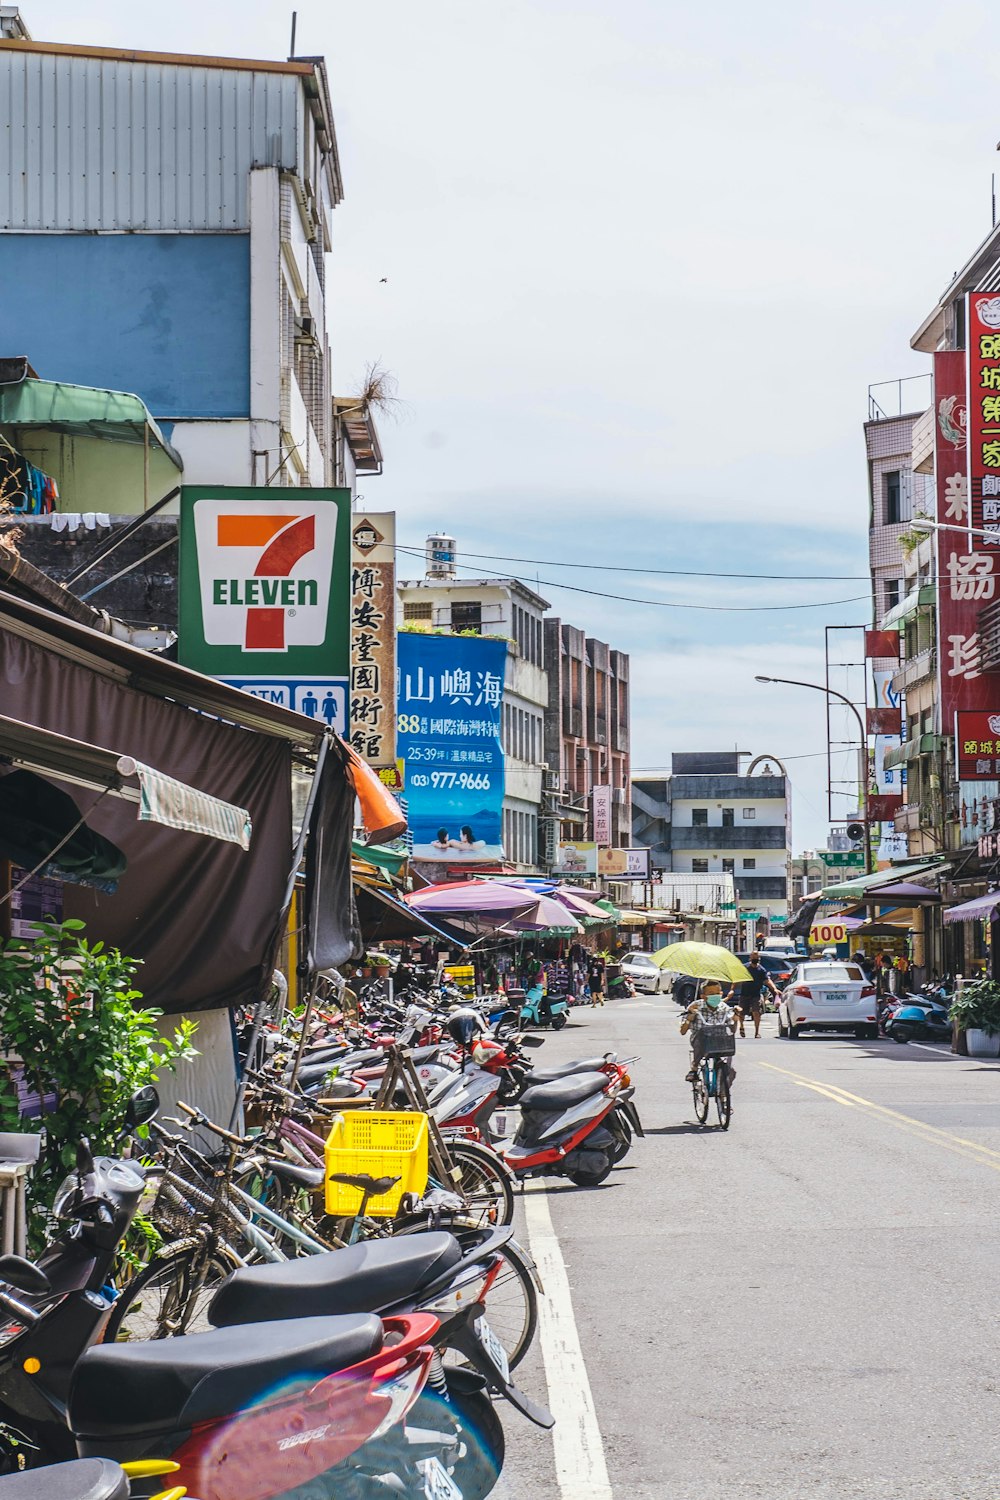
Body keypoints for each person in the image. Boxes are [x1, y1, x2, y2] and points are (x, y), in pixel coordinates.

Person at [680, 981, 739, 1084]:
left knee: (731, 1071)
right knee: (700, 1040)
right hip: (701, 1039)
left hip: (719, 1040)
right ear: (703, 996)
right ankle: (694, 1068)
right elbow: (683, 1031)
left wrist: (736, 1019)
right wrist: (689, 1018)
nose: (715, 996)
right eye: (711, 994)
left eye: (717, 993)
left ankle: (722, 1090)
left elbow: (732, 1030)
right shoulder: (695, 1006)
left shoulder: (724, 1007)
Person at [728, 951, 778, 1039]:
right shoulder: (745, 968)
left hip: (756, 994)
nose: (755, 959)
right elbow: (737, 979)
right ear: (750, 958)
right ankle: (742, 1027)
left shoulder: (761, 970)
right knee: (741, 1013)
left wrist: (774, 988)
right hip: (745, 994)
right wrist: (732, 990)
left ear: (759, 958)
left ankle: (757, 1032)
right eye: (753, 957)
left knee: (756, 1012)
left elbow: (767, 980)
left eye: (757, 957)